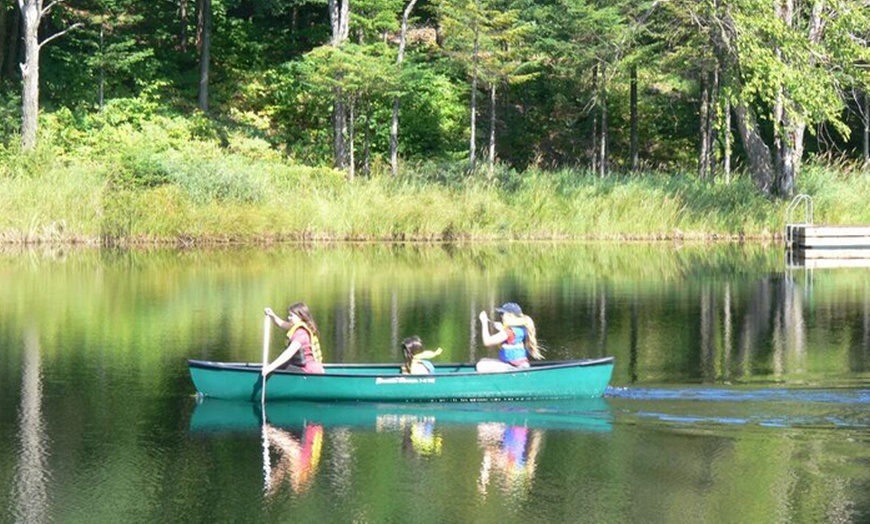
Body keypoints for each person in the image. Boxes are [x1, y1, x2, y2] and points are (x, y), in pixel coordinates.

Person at [263, 302, 325, 375]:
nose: (289, 318)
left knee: (278, 367)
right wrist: (272, 315)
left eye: (291, 316)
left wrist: (271, 367)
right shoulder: (299, 325)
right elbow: (281, 324)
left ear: (301, 316)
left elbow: (288, 353)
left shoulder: (301, 333)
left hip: (308, 370)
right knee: (279, 365)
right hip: (311, 368)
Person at [477, 302, 543, 371]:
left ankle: (510, 370)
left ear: (510, 316)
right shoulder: (523, 328)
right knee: (483, 360)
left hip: (515, 366)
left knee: (480, 365)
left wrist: (484, 322)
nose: (501, 316)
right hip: (520, 363)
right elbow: (513, 338)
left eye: (502, 314)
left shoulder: (508, 332)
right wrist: (502, 328)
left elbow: (487, 342)